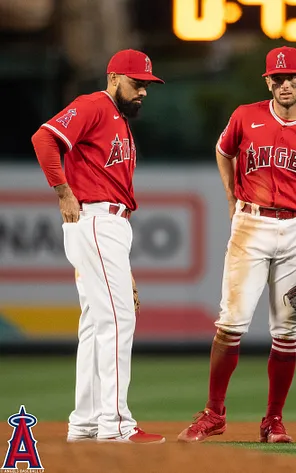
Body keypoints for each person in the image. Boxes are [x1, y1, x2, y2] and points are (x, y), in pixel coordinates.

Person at [177, 46, 296, 444]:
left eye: (291, 78)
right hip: (251, 223)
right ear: (267, 81)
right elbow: (223, 151)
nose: (284, 84)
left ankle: (273, 420)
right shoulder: (245, 116)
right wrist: (231, 199)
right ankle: (214, 413)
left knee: (287, 329)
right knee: (231, 322)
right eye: (277, 78)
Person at [30, 49, 165, 444]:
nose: (143, 91)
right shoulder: (93, 104)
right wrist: (62, 192)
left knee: (94, 323)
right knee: (118, 322)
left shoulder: (119, 119)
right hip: (94, 219)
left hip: (110, 224)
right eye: (136, 83)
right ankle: (116, 424)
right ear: (113, 78)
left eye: (147, 85)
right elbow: (44, 137)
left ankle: (86, 422)